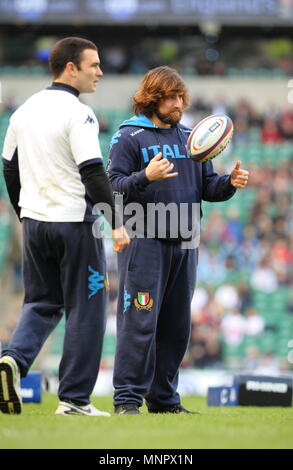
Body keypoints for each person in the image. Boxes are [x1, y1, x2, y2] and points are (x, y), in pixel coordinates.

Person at [107, 66, 249, 414]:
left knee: (175, 328)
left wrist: (229, 182)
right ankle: (127, 400)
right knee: (140, 324)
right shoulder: (129, 136)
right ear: (153, 97)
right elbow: (111, 188)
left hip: (186, 243)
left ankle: (164, 401)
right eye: (171, 97)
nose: (178, 104)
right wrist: (145, 175)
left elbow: (207, 188)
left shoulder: (190, 138)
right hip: (145, 242)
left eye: (181, 97)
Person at [0, 37, 129, 416]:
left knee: (41, 303)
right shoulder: (79, 113)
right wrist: (118, 222)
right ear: (70, 68)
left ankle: (12, 361)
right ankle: (73, 400)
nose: (100, 72)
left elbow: (9, 167)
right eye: (94, 65)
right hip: (75, 224)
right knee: (87, 311)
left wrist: (24, 211)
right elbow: (92, 171)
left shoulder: (24, 111)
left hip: (35, 225)